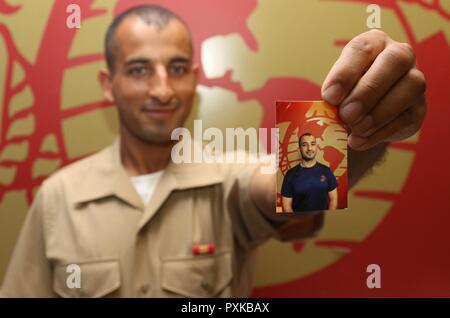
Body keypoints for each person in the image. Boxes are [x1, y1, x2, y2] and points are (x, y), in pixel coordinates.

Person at [0, 4, 427, 297]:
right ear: (107, 83)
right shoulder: (58, 197)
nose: (162, 89)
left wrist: (363, 128)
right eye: (138, 70)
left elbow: (293, 192)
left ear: (196, 78)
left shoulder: (229, 174)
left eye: (178, 68)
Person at [281, 133, 338, 212]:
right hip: (300, 222)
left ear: (316, 147)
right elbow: (286, 206)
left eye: (312, 144)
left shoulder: (326, 171)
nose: (309, 148)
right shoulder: (290, 175)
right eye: (304, 145)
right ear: (299, 149)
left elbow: (333, 199)